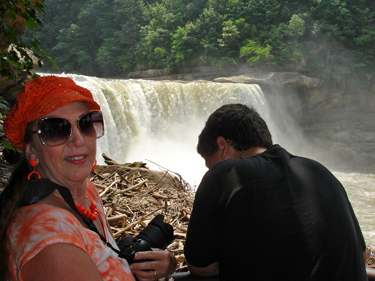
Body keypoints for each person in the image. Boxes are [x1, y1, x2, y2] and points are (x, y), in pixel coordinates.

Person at [0, 76, 177, 281]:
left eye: (86, 123)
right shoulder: (52, 244)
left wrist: (162, 265)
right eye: (55, 129)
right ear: (31, 151)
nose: (78, 139)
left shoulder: (86, 192)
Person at [184, 103, 367, 280]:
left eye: (209, 164)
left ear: (222, 147)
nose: (209, 170)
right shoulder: (319, 171)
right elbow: (363, 256)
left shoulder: (226, 174)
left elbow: (200, 266)